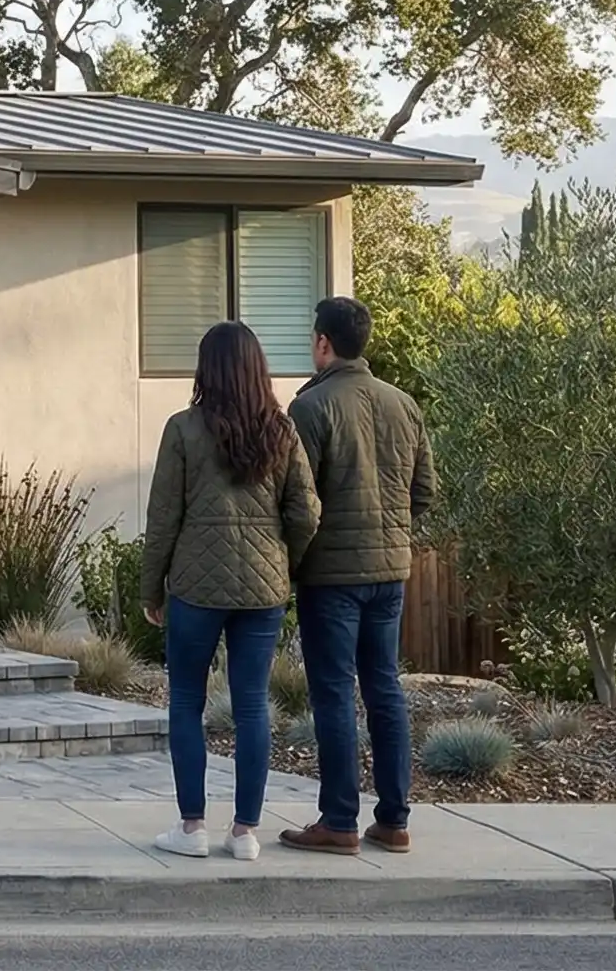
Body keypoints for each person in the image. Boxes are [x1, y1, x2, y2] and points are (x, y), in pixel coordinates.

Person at [140, 322, 322, 862]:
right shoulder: (282, 432)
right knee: (252, 708)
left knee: (186, 704)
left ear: (207, 369)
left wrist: (152, 588)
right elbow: (307, 511)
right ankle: (245, 833)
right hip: (263, 590)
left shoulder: (182, 429)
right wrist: (285, 560)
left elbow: (163, 517)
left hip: (196, 588)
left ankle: (191, 826)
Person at [281, 295, 432, 855]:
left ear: (323, 342)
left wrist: (295, 559)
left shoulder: (311, 409)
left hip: (331, 577)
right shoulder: (404, 405)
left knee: (334, 694)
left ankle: (339, 819)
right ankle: (394, 820)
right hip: (390, 572)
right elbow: (425, 492)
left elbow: (298, 502)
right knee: (385, 689)